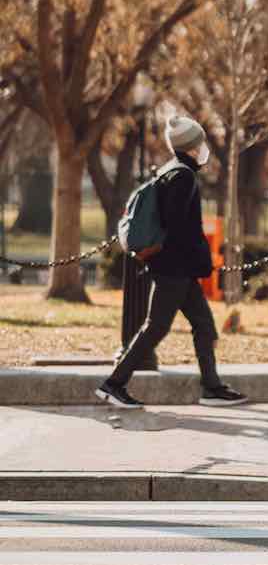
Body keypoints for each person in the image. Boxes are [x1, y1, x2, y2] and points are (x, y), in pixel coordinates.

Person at [95, 116, 248, 410]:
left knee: (204, 325)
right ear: (190, 147)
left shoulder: (170, 171)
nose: (203, 147)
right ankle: (114, 384)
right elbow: (179, 228)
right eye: (199, 142)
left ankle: (211, 387)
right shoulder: (183, 177)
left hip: (177, 269)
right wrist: (200, 260)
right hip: (174, 270)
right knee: (156, 327)